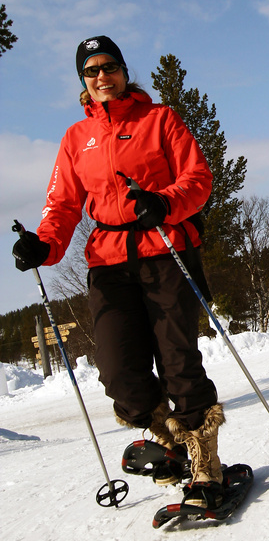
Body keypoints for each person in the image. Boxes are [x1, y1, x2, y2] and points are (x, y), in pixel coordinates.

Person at [12, 36, 225, 508]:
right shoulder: (75, 138)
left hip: (163, 246)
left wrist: (164, 203)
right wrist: (42, 245)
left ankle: (205, 461)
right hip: (108, 258)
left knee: (178, 361)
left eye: (110, 67)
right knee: (117, 372)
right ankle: (168, 440)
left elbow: (198, 178)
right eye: (92, 71)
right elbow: (63, 205)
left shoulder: (159, 119)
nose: (102, 76)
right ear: (83, 82)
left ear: (125, 72)